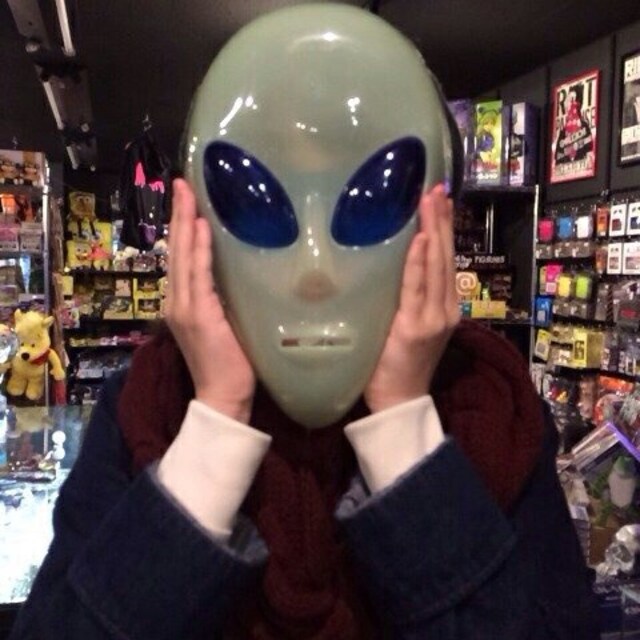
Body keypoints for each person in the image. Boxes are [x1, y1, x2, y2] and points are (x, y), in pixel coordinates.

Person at [10, 5, 599, 639]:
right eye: (253, 202)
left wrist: (404, 429)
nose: (315, 270)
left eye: (374, 201)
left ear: (438, 219)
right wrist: (213, 426)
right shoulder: (147, 406)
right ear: (194, 224)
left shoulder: (492, 406)